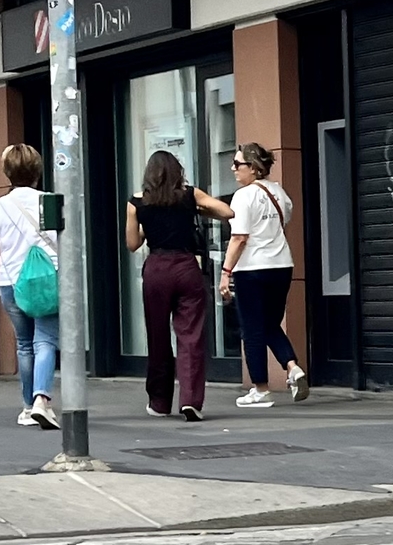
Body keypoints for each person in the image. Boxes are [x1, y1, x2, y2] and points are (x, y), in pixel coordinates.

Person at [125, 150, 232, 422]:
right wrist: (197, 207)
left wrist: (148, 225)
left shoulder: (137, 202)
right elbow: (226, 211)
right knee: (191, 335)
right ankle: (190, 401)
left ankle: (159, 402)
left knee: (158, 336)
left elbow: (132, 244)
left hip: (157, 268)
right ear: (177, 171)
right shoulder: (189, 194)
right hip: (186, 266)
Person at [219, 141, 308, 409]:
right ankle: (293, 369)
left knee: (252, 329)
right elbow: (286, 219)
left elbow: (239, 238)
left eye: (238, 164)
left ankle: (260, 389)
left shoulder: (243, 196)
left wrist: (225, 272)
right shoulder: (279, 192)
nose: (233, 168)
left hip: (252, 269)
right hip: (281, 265)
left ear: (254, 168)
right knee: (269, 324)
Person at [0, 143, 58, 430]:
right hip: (48, 281)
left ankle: (27, 407)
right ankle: (41, 400)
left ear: (7, 172)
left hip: (13, 283)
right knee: (46, 340)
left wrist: (6, 266)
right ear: (37, 171)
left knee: (25, 344)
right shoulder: (51, 202)